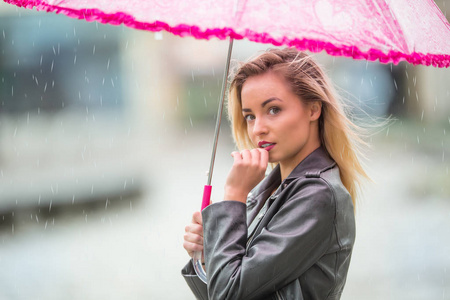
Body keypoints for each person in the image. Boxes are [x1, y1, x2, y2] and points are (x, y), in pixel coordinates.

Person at [182, 48, 369, 300]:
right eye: (249, 116)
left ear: (313, 109)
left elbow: (229, 295)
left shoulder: (318, 195)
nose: (257, 129)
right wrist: (210, 253)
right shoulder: (271, 190)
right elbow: (229, 288)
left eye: (273, 110)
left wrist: (234, 196)